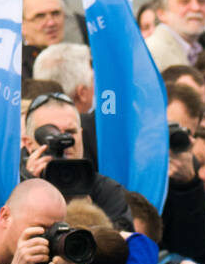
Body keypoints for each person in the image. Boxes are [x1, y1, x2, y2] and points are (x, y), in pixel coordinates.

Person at [21, 92, 133, 230]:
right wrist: (28, 186)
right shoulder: (9, 187)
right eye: (51, 134)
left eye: (70, 132)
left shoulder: (106, 190)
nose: (64, 141)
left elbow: (122, 246)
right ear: (28, 143)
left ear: (81, 135)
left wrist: (86, 214)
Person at [146, 0, 205, 72]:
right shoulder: (152, 53)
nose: (196, 7)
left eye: (201, 1)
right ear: (161, 12)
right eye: (184, 1)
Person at [22, 0, 68, 79]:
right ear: (22, 25)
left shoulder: (82, 59)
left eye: (55, 13)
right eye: (40, 16)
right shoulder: (16, 72)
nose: (51, 23)